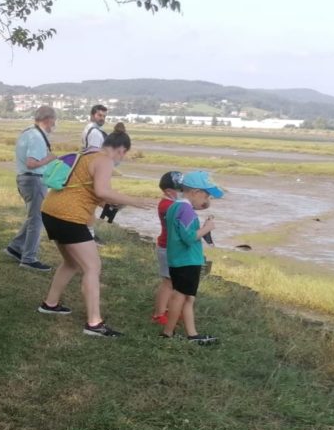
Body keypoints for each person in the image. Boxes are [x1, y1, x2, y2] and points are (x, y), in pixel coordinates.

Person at [36, 130, 153, 337]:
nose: (122, 158)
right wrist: (135, 200)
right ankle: (94, 323)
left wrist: (113, 203)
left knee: (72, 263)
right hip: (68, 217)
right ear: (120, 149)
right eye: (123, 154)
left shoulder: (85, 155)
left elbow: (90, 193)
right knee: (93, 266)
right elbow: (101, 191)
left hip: (51, 211)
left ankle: (50, 304)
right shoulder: (105, 160)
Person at [161, 171, 221, 345]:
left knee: (188, 297)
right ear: (195, 192)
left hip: (179, 259)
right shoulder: (186, 209)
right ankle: (167, 333)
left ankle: (192, 335)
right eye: (206, 195)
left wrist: (202, 212)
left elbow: (182, 232)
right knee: (180, 296)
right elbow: (188, 237)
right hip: (187, 261)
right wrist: (207, 227)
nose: (207, 200)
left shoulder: (175, 206)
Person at [4, 105, 58, 271]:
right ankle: (28, 258)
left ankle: (15, 247)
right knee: (37, 220)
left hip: (24, 179)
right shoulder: (36, 137)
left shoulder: (27, 132)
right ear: (48, 120)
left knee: (33, 217)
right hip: (33, 180)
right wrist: (48, 160)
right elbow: (31, 163)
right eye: (54, 121)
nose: (54, 125)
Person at [152, 171, 183, 326]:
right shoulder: (167, 206)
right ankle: (159, 313)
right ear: (169, 191)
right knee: (168, 282)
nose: (182, 192)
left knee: (174, 282)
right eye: (180, 189)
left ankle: (171, 310)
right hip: (166, 248)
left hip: (172, 248)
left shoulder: (174, 204)